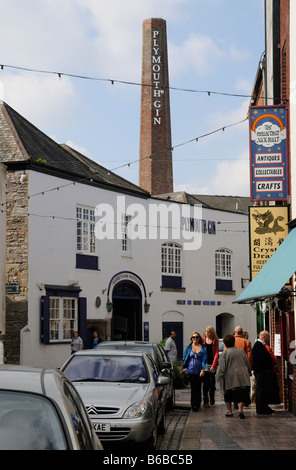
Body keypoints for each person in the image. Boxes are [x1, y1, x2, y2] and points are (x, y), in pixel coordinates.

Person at [216, 334, 251, 419]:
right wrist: (249, 372)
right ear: (234, 342)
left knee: (228, 395)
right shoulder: (241, 351)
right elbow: (247, 363)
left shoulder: (224, 353)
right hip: (242, 376)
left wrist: (218, 376)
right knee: (240, 395)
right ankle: (240, 410)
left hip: (229, 378)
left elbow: (221, 367)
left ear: (225, 343)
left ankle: (229, 411)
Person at [179, 331, 207, 411]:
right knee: (193, 388)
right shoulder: (189, 347)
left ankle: (198, 403)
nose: (195, 339)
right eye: (193, 337)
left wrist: (203, 369)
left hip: (199, 369)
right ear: (191, 338)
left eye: (197, 337)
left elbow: (204, 360)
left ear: (199, 338)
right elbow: (184, 358)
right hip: (191, 369)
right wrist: (181, 369)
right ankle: (193, 405)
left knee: (198, 387)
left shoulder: (203, 347)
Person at [252, 330, 276, 414]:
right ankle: (261, 408)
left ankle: (263, 407)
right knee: (261, 390)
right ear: (264, 337)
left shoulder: (259, 345)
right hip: (261, 372)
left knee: (262, 390)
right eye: (268, 337)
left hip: (261, 371)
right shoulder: (259, 346)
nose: (269, 339)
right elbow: (261, 360)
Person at [202, 326, 219, 407]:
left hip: (211, 364)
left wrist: (213, 365)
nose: (207, 334)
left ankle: (211, 396)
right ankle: (205, 400)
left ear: (212, 332)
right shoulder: (203, 341)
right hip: (205, 364)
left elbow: (216, 353)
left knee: (212, 383)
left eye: (208, 332)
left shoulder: (215, 341)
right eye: (206, 332)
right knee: (205, 382)